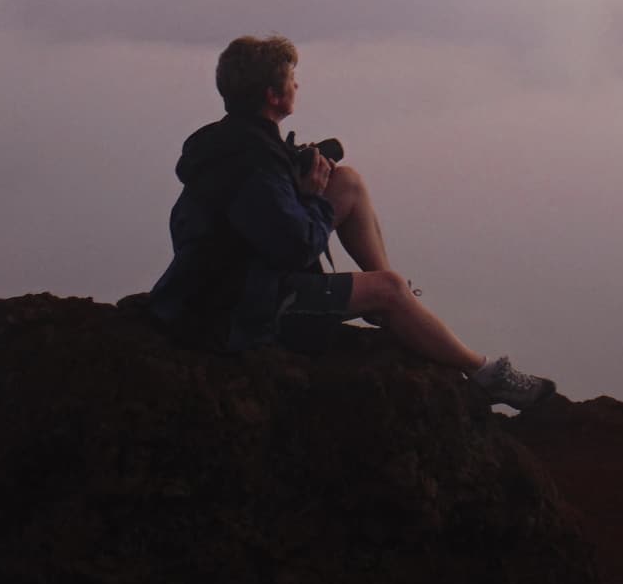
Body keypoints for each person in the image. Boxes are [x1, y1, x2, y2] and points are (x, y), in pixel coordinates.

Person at [149, 34, 555, 410]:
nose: (297, 87)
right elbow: (296, 246)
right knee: (390, 287)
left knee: (347, 181)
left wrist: (304, 185)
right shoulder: (255, 165)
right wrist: (310, 199)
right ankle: (485, 373)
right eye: (292, 80)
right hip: (244, 310)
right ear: (274, 96)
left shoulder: (226, 145)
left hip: (224, 284)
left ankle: (396, 309)